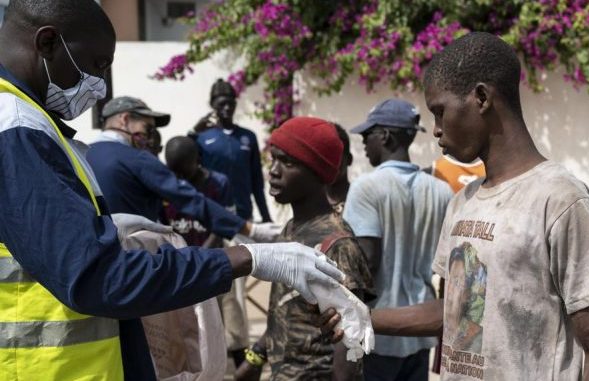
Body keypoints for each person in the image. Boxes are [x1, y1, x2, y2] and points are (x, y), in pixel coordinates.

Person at [0, 2, 344, 380]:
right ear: (48, 43)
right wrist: (248, 254)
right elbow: (99, 276)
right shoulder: (18, 129)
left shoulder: (44, 131)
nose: (98, 86)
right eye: (96, 65)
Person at [325, 32, 589, 381]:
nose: (436, 130)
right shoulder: (462, 202)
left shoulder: (559, 199)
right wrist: (364, 316)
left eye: (440, 111)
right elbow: (456, 309)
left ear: (481, 97)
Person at [235, 116, 375, 381]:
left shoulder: (337, 245)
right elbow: (286, 308)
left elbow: (349, 345)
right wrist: (255, 357)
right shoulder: (291, 229)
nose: (274, 171)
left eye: (288, 162)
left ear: (318, 172)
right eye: (273, 159)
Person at [343, 98, 453, 381]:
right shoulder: (442, 192)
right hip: (421, 328)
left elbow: (366, 261)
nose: (364, 144)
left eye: (368, 135)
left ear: (386, 136)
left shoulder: (366, 187)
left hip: (379, 330)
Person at [88, 95, 279, 243]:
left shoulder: (83, 154)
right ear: (125, 119)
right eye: (148, 128)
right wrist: (248, 229)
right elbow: (187, 197)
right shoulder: (135, 158)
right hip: (135, 257)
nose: (149, 137)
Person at [162, 135, 250, 367]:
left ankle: (243, 367)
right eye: (174, 171)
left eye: (183, 170)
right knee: (189, 325)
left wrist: (201, 256)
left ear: (197, 159)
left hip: (215, 258)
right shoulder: (166, 183)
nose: (179, 177)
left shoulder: (219, 183)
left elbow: (222, 226)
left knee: (231, 315)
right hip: (181, 263)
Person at [193, 79, 272, 222]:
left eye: (231, 103)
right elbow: (186, 168)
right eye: (222, 104)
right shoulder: (201, 137)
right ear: (212, 105)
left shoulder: (248, 136)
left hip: (243, 217)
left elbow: (257, 181)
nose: (227, 108)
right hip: (212, 217)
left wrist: (266, 217)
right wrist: (193, 133)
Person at [326, 123, 353, 214]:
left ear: (349, 159)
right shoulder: (309, 203)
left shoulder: (358, 200)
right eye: (325, 156)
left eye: (336, 156)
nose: (330, 162)